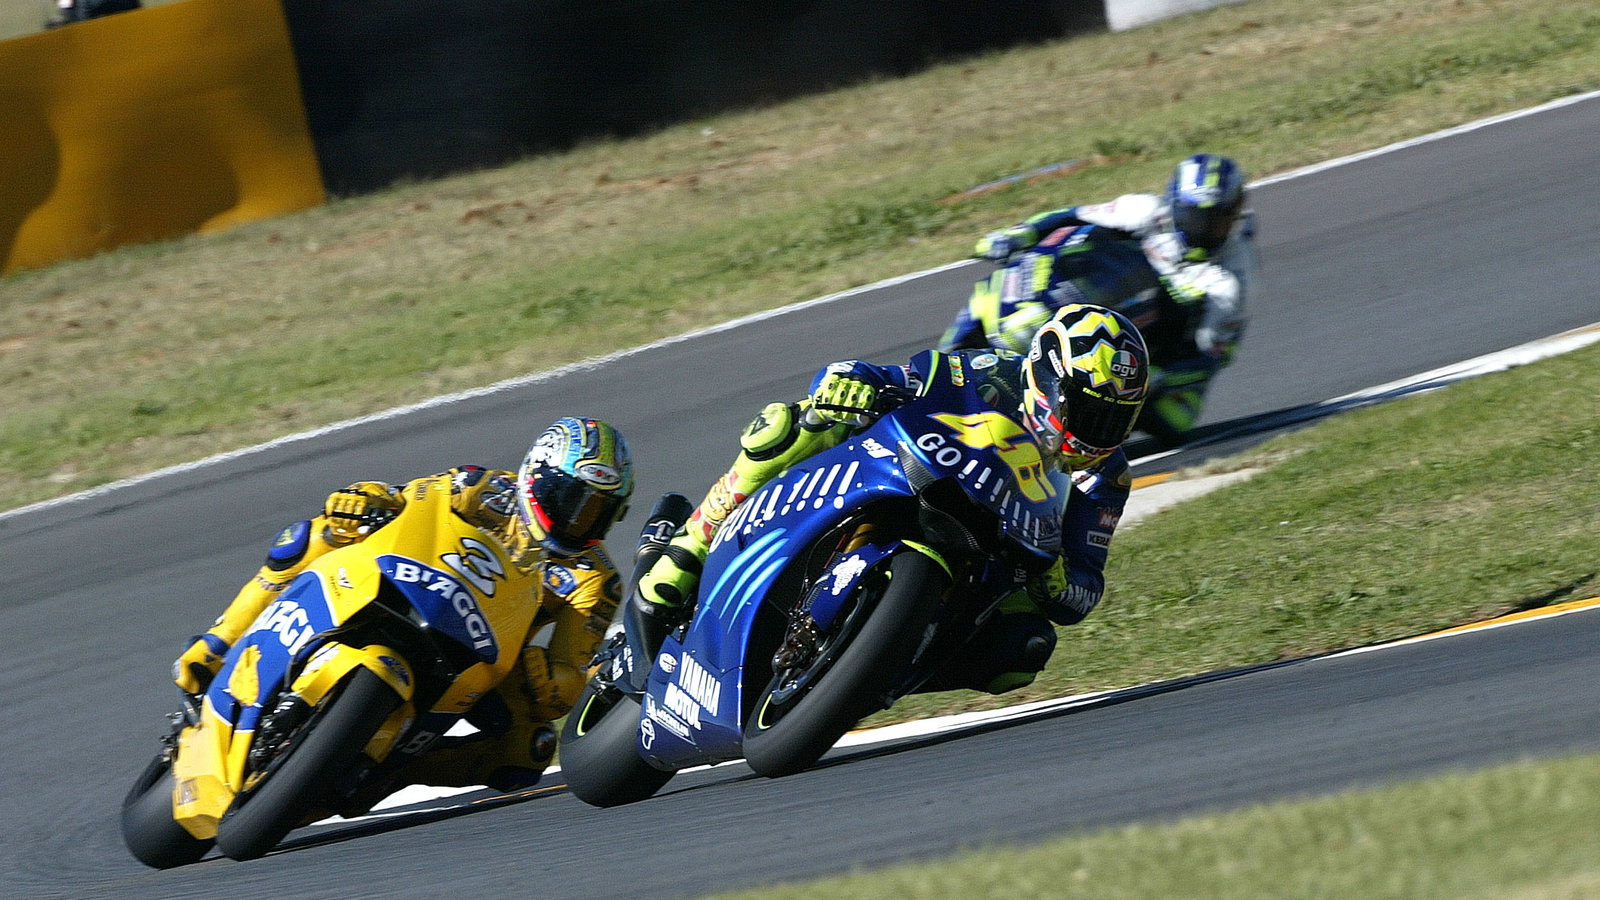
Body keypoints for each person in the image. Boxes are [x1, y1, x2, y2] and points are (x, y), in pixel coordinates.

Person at [622, 304, 1150, 695]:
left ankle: (871, 671)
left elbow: (1086, 587)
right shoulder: (992, 373)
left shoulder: (1106, 478)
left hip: (1002, 554)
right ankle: (684, 553)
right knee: (794, 423)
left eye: (1113, 419)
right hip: (925, 479)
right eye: (1087, 409)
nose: (1097, 430)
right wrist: (856, 382)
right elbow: (902, 379)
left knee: (1023, 648)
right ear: (1048, 377)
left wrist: (1059, 579)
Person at [173, 416, 633, 797]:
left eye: (597, 510)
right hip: (410, 586)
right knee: (313, 535)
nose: (577, 519)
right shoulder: (479, 486)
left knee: (529, 749)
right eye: (567, 499)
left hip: (489, 654)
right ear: (535, 475)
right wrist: (366, 499)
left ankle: (397, 772)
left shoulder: (597, 580)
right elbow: (407, 498)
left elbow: (573, 669)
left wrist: (551, 683)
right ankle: (219, 643)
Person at [966, 153, 1256, 446]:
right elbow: (1075, 215)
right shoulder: (1146, 210)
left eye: (1215, 220)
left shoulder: (1230, 284)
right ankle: (1018, 325)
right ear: (1174, 202)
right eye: (1193, 217)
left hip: (1160, 363)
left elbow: (1211, 358)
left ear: (1234, 215)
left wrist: (1156, 377)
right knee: (1085, 240)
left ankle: (1072, 436)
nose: (1202, 229)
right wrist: (1020, 234)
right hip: (1110, 302)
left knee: (1171, 420)